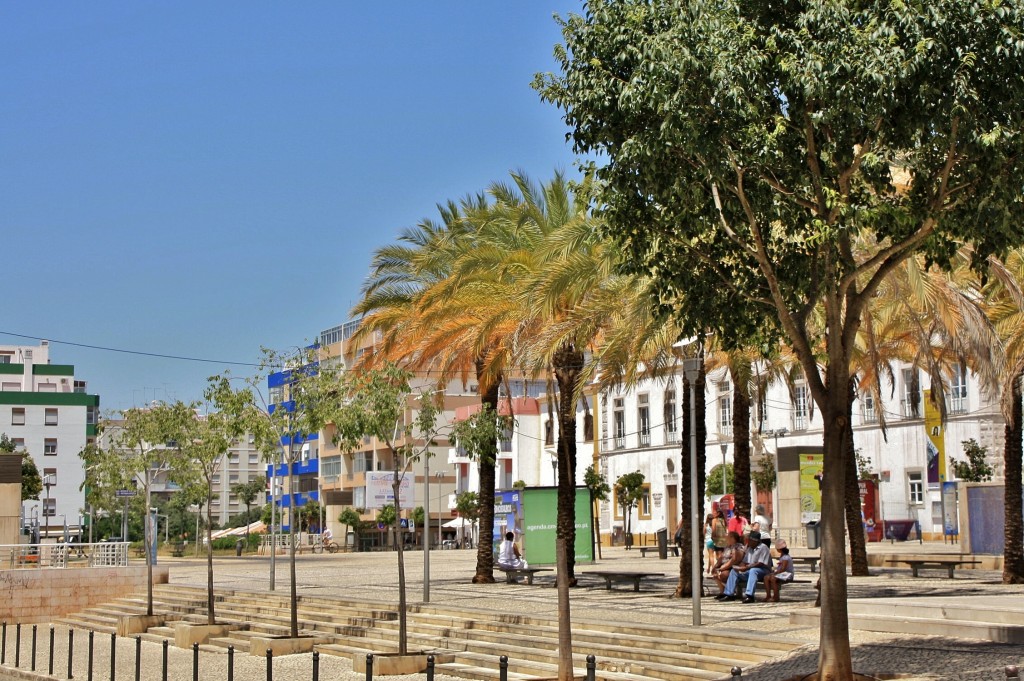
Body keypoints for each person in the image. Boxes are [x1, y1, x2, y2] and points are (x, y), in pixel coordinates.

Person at [715, 530, 771, 604]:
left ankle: (750, 595)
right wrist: (739, 568)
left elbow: (760, 563)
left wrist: (746, 567)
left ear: (755, 541)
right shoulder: (749, 548)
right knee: (734, 571)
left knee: (753, 570)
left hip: (763, 570)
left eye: (749, 541)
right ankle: (729, 594)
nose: (748, 542)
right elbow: (744, 561)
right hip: (750, 570)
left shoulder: (763, 548)